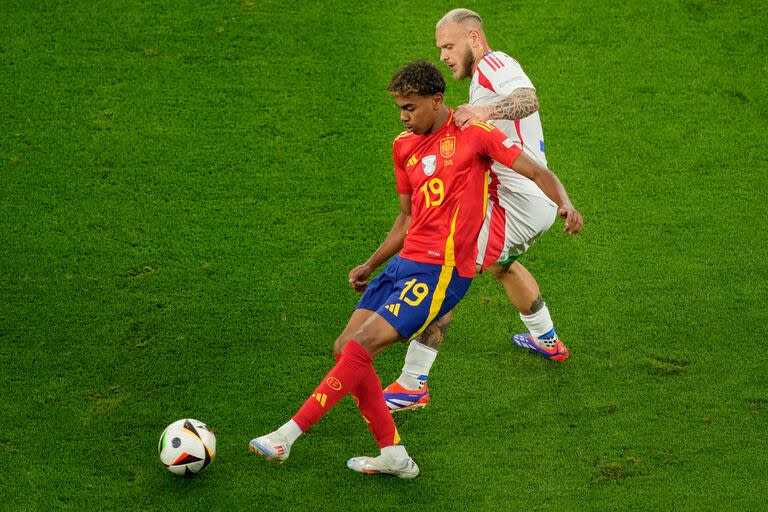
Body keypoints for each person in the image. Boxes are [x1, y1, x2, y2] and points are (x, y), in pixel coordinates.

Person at [248, 61, 582, 478]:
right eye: (399, 109)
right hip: (403, 265)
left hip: (442, 272)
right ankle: (393, 455)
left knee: (360, 347)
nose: (403, 117)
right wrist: (371, 263)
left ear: (437, 100)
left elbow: (536, 171)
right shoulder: (403, 146)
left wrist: (564, 201)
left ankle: (287, 435)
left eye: (410, 107)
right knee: (345, 347)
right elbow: (406, 219)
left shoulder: (474, 134)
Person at [383, 8, 580, 412]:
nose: (444, 56)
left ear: (473, 38)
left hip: (515, 201)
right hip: (530, 202)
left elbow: (528, 99)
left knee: (445, 271)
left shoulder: (494, 63)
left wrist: (485, 112)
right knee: (500, 263)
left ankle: (412, 383)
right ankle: (547, 340)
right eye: (440, 49)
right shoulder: (481, 80)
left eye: (449, 46)